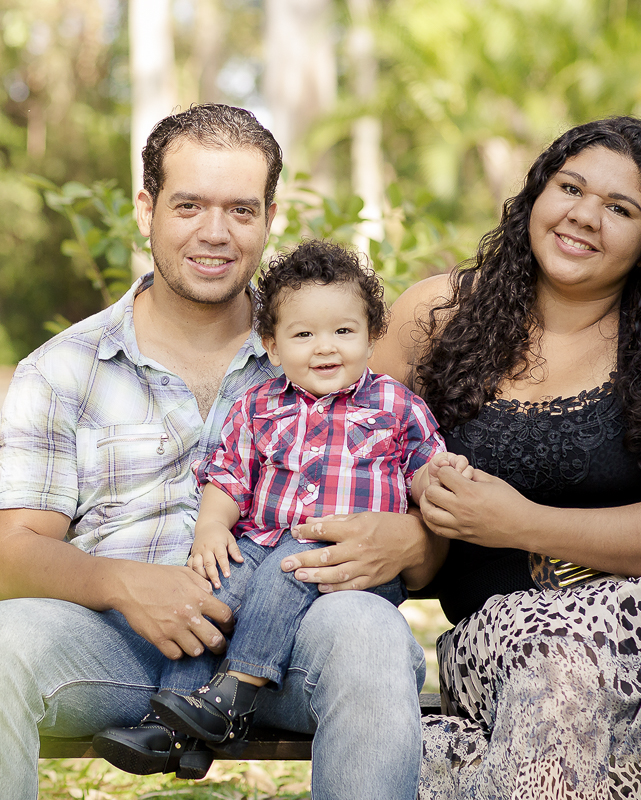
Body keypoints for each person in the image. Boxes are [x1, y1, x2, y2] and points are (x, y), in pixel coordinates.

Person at [0, 105, 428, 800]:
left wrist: (408, 537)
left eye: (241, 210)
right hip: (114, 644)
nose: (215, 233)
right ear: (147, 209)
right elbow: (10, 555)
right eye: (189, 205)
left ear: (270, 217)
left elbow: (421, 527)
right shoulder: (64, 368)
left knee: (371, 631)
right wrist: (127, 586)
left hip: (287, 642)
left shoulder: (324, 354)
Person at [368, 117, 641, 798]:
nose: (584, 216)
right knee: (561, 654)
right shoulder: (438, 314)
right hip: (512, 640)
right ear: (537, 195)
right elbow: (349, 444)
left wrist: (521, 523)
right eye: (570, 187)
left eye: (619, 208)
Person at [97, 240, 460, 764]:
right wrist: (212, 530)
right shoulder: (260, 405)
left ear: (372, 336)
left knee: (293, 560)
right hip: (262, 544)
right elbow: (229, 476)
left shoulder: (395, 405)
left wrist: (441, 478)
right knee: (212, 592)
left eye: (343, 331)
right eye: (303, 334)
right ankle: (173, 721)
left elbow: (424, 470)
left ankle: (235, 694)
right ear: (272, 345)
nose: (325, 347)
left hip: (352, 562)